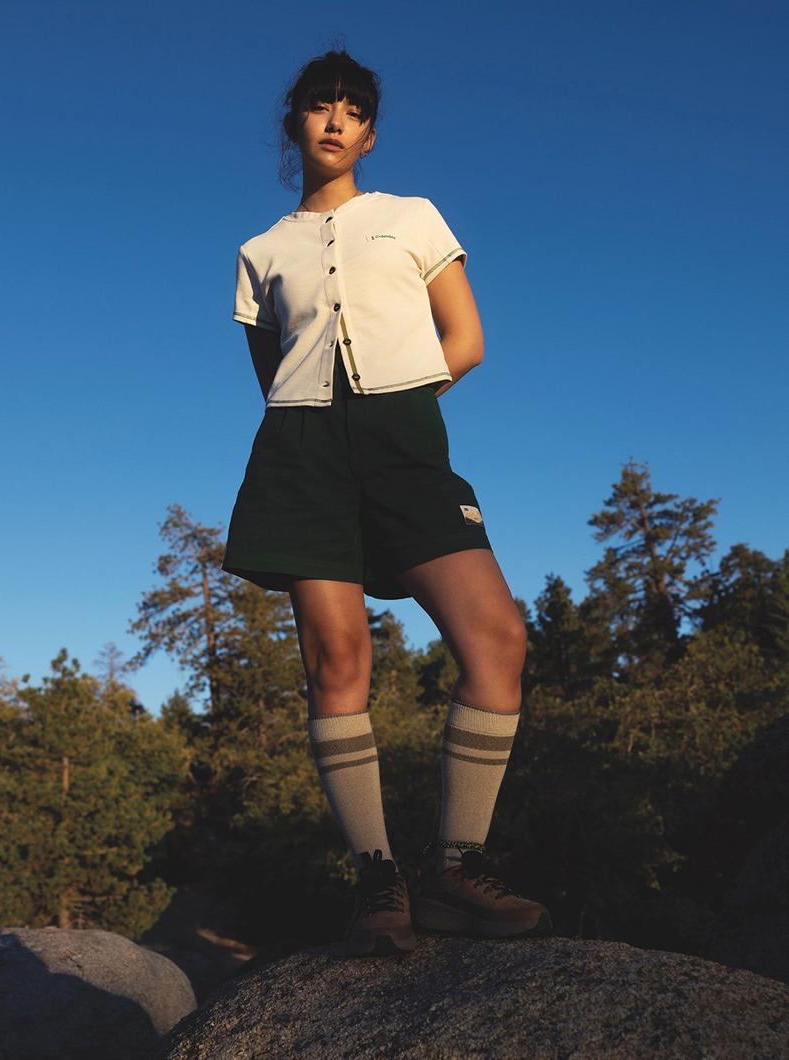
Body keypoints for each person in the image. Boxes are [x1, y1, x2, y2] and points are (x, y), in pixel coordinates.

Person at [222, 47, 553, 957]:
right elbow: (273, 374)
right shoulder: (261, 252)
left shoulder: (412, 218)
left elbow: (467, 339)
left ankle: (456, 866)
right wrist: (321, 425)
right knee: (338, 657)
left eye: (352, 108)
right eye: (318, 106)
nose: (334, 120)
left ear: (368, 130)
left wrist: (396, 402)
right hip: (299, 450)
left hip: (405, 442)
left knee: (497, 638)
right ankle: (377, 877)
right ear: (294, 124)